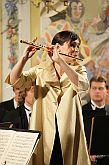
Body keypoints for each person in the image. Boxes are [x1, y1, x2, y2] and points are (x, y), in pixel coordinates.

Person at [5, 30, 91, 165]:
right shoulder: (41, 69)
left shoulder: (79, 69)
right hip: (45, 128)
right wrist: (24, 59)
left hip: (69, 131)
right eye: (72, 45)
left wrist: (61, 62)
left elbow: (82, 86)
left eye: (77, 46)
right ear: (57, 47)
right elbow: (15, 80)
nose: (76, 50)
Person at [82, 76, 109, 165]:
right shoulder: (80, 112)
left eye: (100, 88)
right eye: (94, 88)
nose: (97, 91)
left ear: (107, 91)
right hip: (86, 160)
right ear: (89, 91)